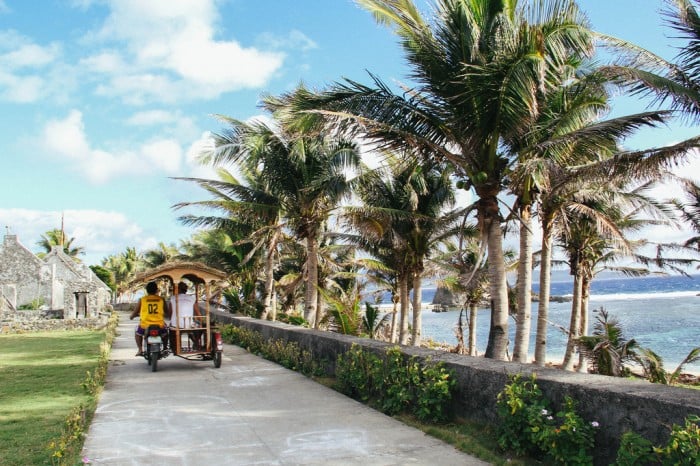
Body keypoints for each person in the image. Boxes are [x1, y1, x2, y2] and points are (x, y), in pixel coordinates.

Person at [129, 281, 169, 356]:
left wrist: (132, 316)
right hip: (159, 324)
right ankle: (165, 348)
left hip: (145, 325)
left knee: (137, 333)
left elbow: (135, 312)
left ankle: (140, 349)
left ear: (147, 290)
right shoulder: (161, 299)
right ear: (156, 290)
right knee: (166, 332)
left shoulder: (142, 299)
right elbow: (166, 311)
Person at [167, 282, 203, 351]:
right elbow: (198, 313)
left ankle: (175, 346)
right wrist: (201, 323)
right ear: (186, 290)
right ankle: (196, 342)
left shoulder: (173, 298)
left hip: (176, 324)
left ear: (177, 289)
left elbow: (170, 313)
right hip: (188, 324)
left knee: (171, 328)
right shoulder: (192, 298)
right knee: (195, 327)